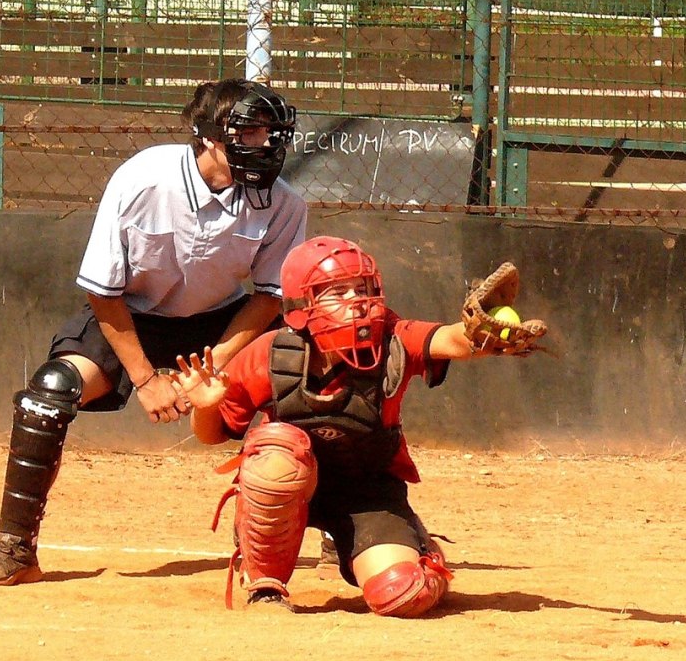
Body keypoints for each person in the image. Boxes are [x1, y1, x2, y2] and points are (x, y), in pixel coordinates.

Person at [0, 78, 307, 587]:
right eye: (252, 132)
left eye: (274, 134)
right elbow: (103, 291)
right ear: (210, 135)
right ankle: (14, 549)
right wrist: (147, 380)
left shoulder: (282, 203)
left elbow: (270, 296)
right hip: (131, 317)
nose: (268, 146)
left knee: (294, 379)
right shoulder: (143, 180)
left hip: (221, 320)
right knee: (50, 392)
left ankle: (278, 544)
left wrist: (213, 365)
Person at [170, 235, 539, 618]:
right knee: (275, 455)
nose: (357, 302)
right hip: (291, 483)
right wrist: (205, 407)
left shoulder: (392, 338)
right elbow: (211, 435)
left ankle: (423, 558)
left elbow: (445, 339)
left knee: (401, 595)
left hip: (367, 489)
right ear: (302, 307)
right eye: (338, 292)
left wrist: (478, 335)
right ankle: (265, 585)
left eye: (363, 289)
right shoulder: (271, 352)